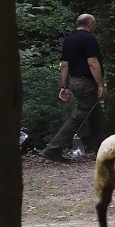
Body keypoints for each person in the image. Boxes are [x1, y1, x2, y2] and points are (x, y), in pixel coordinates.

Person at [40, 13, 105, 162]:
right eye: (94, 24)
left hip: (74, 81)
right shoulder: (89, 39)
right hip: (86, 83)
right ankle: (52, 149)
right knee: (79, 115)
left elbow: (65, 65)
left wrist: (64, 86)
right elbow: (92, 63)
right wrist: (100, 84)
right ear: (90, 24)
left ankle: (102, 148)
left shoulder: (68, 39)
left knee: (95, 114)